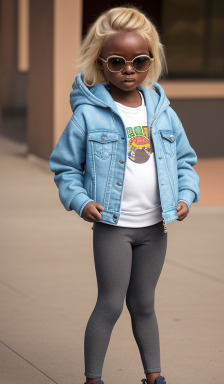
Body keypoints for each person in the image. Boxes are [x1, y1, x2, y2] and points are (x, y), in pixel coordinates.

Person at [49, 5, 200, 384]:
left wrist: (186, 194)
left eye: (139, 61)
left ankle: (154, 376)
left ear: (151, 62)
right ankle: (93, 378)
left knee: (144, 304)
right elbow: (65, 166)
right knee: (111, 304)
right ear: (100, 63)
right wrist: (80, 201)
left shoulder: (163, 112)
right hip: (114, 227)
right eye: (117, 62)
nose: (128, 70)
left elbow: (185, 161)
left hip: (153, 227)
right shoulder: (88, 115)